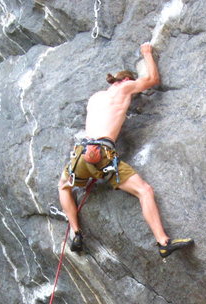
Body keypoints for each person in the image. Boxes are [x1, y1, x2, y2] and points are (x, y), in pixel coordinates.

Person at [58, 42, 193, 259]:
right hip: (103, 155)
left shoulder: (95, 98)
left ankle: (76, 233)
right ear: (126, 81)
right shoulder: (123, 88)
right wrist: (147, 54)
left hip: (82, 155)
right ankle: (162, 241)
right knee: (144, 191)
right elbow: (152, 80)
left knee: (64, 186)